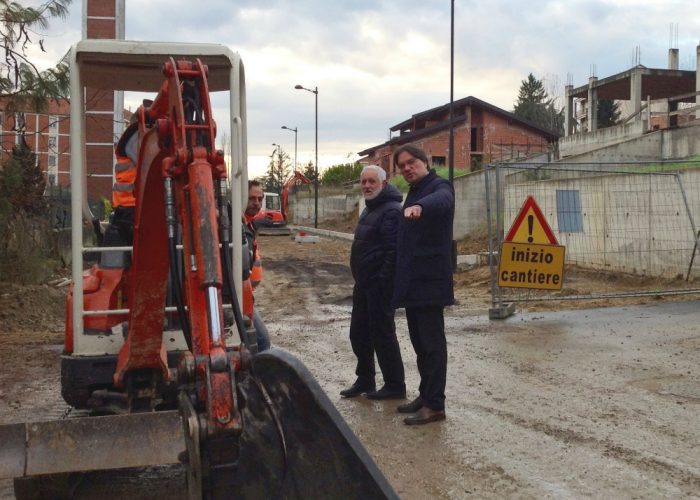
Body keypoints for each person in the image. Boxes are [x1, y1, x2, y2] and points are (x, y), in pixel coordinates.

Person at [391, 144, 454, 425]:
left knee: (432, 345)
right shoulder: (415, 190)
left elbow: (441, 201)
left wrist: (421, 206)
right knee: (419, 344)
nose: (406, 168)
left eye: (410, 162)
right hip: (414, 282)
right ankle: (425, 396)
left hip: (431, 282)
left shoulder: (439, 187)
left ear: (424, 161)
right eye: (401, 166)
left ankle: (436, 405)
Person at [340, 166, 406, 399]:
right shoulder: (370, 209)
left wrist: (382, 281)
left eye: (372, 182)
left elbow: (393, 252)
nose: (367, 186)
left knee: (383, 335)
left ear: (384, 184)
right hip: (364, 283)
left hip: (379, 286)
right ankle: (365, 379)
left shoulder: (391, 212)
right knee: (358, 333)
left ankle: (395, 385)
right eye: (364, 181)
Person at [243, 180, 271, 351]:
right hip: (239, 297)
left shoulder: (248, 224)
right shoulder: (234, 223)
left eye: (260, 199)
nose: (257, 203)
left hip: (247, 296)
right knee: (261, 342)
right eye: (252, 198)